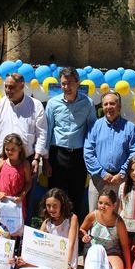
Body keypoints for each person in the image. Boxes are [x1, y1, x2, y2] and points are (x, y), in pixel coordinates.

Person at [0, 72, 47, 221]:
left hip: (28, 161)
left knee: (25, 202)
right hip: (3, 160)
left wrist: (37, 159)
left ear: (22, 86)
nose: (7, 90)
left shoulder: (35, 105)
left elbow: (42, 133)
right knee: (0, 200)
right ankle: (1, 237)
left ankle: (22, 238)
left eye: (11, 87)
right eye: (6, 87)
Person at [45, 67, 96, 217]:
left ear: (78, 83)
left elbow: (91, 131)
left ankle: (73, 237)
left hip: (78, 157)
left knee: (76, 197)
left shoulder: (88, 103)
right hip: (57, 155)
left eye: (70, 83)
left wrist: (90, 158)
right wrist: (46, 160)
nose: (66, 87)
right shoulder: (53, 103)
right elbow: (47, 131)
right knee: (55, 198)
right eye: (63, 84)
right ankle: (53, 236)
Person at [84, 91, 135, 212]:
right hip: (98, 178)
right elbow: (88, 153)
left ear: (119, 106)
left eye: (112, 104)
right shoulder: (94, 126)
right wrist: (102, 173)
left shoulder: (130, 127)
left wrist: (122, 173)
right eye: (106, 104)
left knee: (117, 216)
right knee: (95, 214)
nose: (109, 107)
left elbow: (133, 152)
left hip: (120, 180)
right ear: (102, 106)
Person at [80, 189, 131, 269]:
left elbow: (125, 245)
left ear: (114, 205)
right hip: (93, 250)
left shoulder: (118, 222)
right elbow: (82, 229)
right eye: (100, 203)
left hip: (111, 252)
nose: (102, 206)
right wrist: (84, 235)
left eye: (107, 204)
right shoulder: (92, 216)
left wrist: (128, 268)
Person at [0, 133, 32, 227]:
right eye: (7, 149)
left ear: (20, 149)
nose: (9, 152)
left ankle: (16, 241)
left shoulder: (25, 165)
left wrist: (21, 196)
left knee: (15, 228)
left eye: (13, 149)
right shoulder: (1, 162)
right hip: (1, 201)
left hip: (15, 204)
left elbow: (29, 182)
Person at [38, 188, 79, 269]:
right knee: (20, 264)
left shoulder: (72, 219)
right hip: (50, 260)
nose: (51, 209)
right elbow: (38, 243)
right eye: (48, 206)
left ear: (62, 205)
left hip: (66, 261)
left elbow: (71, 244)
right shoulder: (47, 222)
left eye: (55, 205)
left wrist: (67, 264)